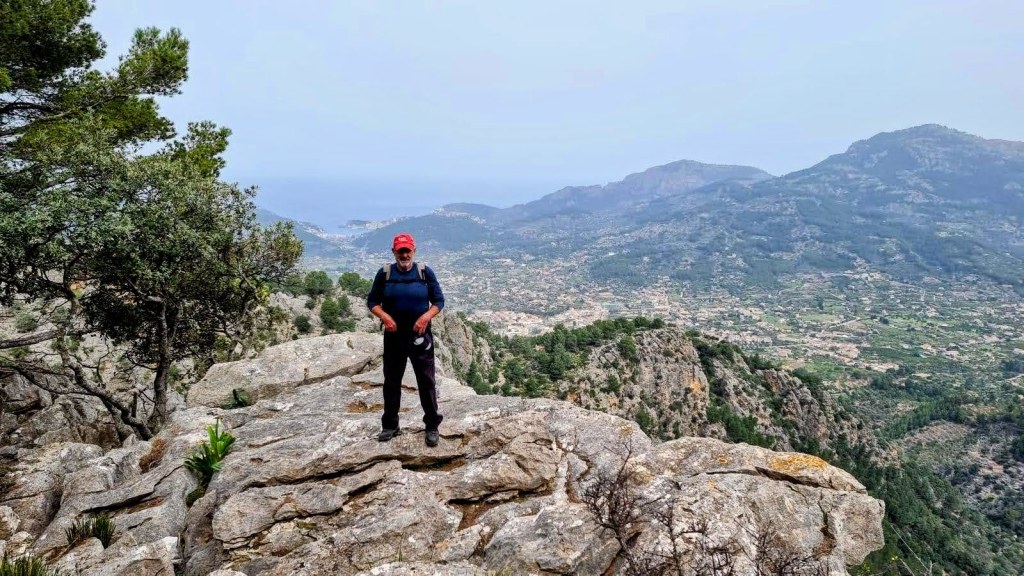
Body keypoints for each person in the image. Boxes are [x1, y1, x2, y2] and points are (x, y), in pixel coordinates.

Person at [366, 232, 445, 446]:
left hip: (420, 336)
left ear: (413, 251)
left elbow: (439, 301)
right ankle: (390, 425)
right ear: (394, 252)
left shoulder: (424, 273)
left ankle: (431, 426)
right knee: (392, 381)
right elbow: (372, 301)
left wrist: (425, 318)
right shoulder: (385, 274)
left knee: (426, 381)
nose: (404, 254)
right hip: (393, 336)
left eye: (407, 250)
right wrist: (385, 317)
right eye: (400, 251)